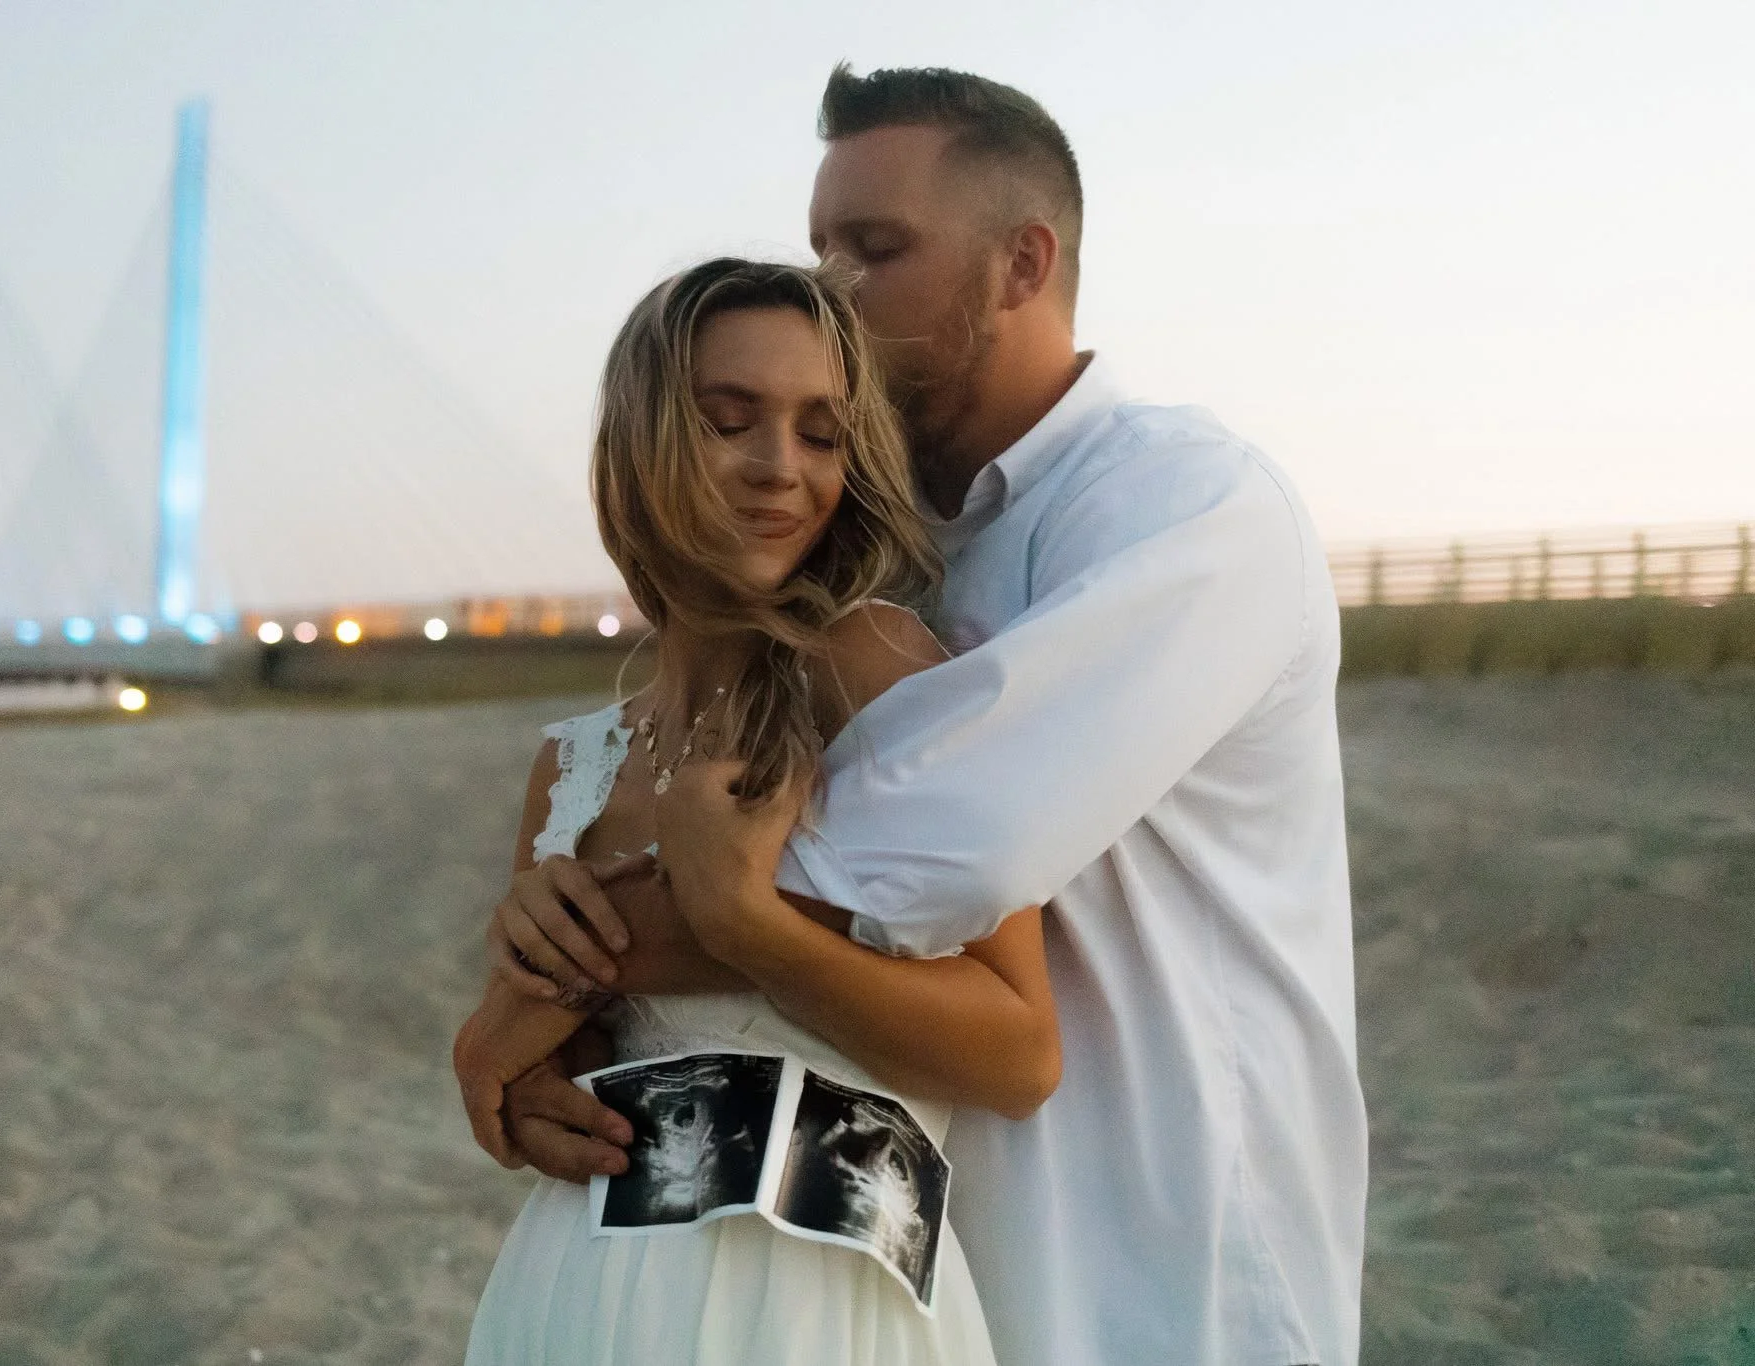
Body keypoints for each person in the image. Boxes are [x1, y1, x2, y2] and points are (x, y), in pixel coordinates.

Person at [478, 66, 1367, 1366]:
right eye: (822, 248)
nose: (832, 290)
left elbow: (931, 849)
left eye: (875, 250)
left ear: (1022, 264)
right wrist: (536, 1042)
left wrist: (536, 981)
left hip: (1163, 1253)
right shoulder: (899, 575)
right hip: (903, 1245)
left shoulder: (1187, 510)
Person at [456, 256, 1062, 1364]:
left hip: (823, 1294)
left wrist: (747, 927)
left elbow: (1017, 1052)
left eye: (822, 434)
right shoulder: (572, 767)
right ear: (638, 443)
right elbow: (555, 1071)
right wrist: (527, 1069)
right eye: (727, 421)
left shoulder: (873, 668)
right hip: (584, 1290)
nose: (779, 468)